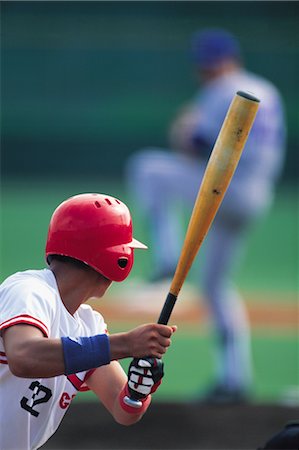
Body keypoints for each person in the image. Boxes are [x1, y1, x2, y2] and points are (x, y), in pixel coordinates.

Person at [126, 28, 286, 403]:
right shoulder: (266, 87)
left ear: (211, 64)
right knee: (215, 287)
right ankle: (235, 379)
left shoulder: (222, 88)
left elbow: (198, 144)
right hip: (257, 195)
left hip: (226, 190)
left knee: (148, 168)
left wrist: (183, 128)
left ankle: (166, 255)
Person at [0, 193, 177, 450]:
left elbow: (123, 410)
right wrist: (127, 344)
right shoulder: (29, 290)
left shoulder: (88, 323)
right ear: (115, 258)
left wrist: (138, 390)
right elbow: (25, 357)